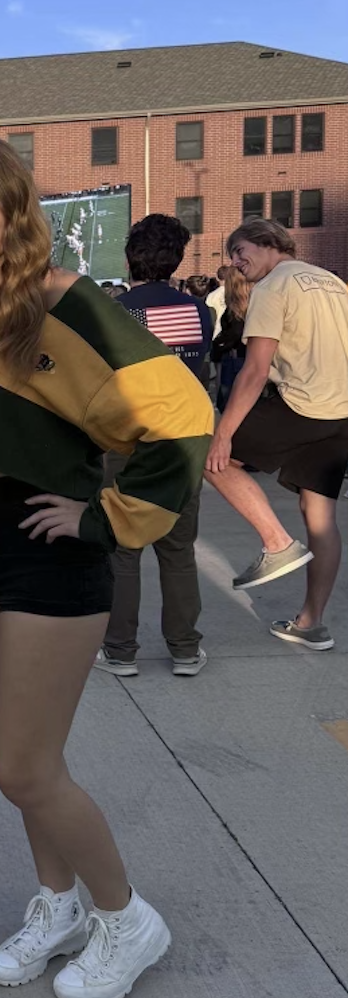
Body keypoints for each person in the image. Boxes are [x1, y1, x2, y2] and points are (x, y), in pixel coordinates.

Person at [0, 136, 212, 998]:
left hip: (52, 536)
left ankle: (125, 918)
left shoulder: (66, 300)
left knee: (22, 767)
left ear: (16, 208)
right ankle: (58, 905)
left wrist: (105, 517)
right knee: (24, 750)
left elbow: (184, 416)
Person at [205, 219, 348, 650]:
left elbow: (254, 370)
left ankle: (277, 542)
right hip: (342, 410)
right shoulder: (333, 282)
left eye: (240, 250)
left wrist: (223, 434)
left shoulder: (273, 286)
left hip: (305, 404)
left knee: (208, 455)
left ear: (269, 243)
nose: (235, 261)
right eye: (231, 254)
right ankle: (310, 623)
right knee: (320, 516)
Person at [93, 215, 213, 679]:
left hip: (130, 441)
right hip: (184, 441)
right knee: (178, 550)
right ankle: (185, 648)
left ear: (130, 257)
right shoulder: (200, 312)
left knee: (123, 549)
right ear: (178, 258)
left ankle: (120, 650)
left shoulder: (117, 313)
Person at [209, 265, 249, 411]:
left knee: (228, 401)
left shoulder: (234, 309)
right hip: (250, 357)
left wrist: (218, 344)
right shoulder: (256, 303)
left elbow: (234, 333)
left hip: (234, 356)